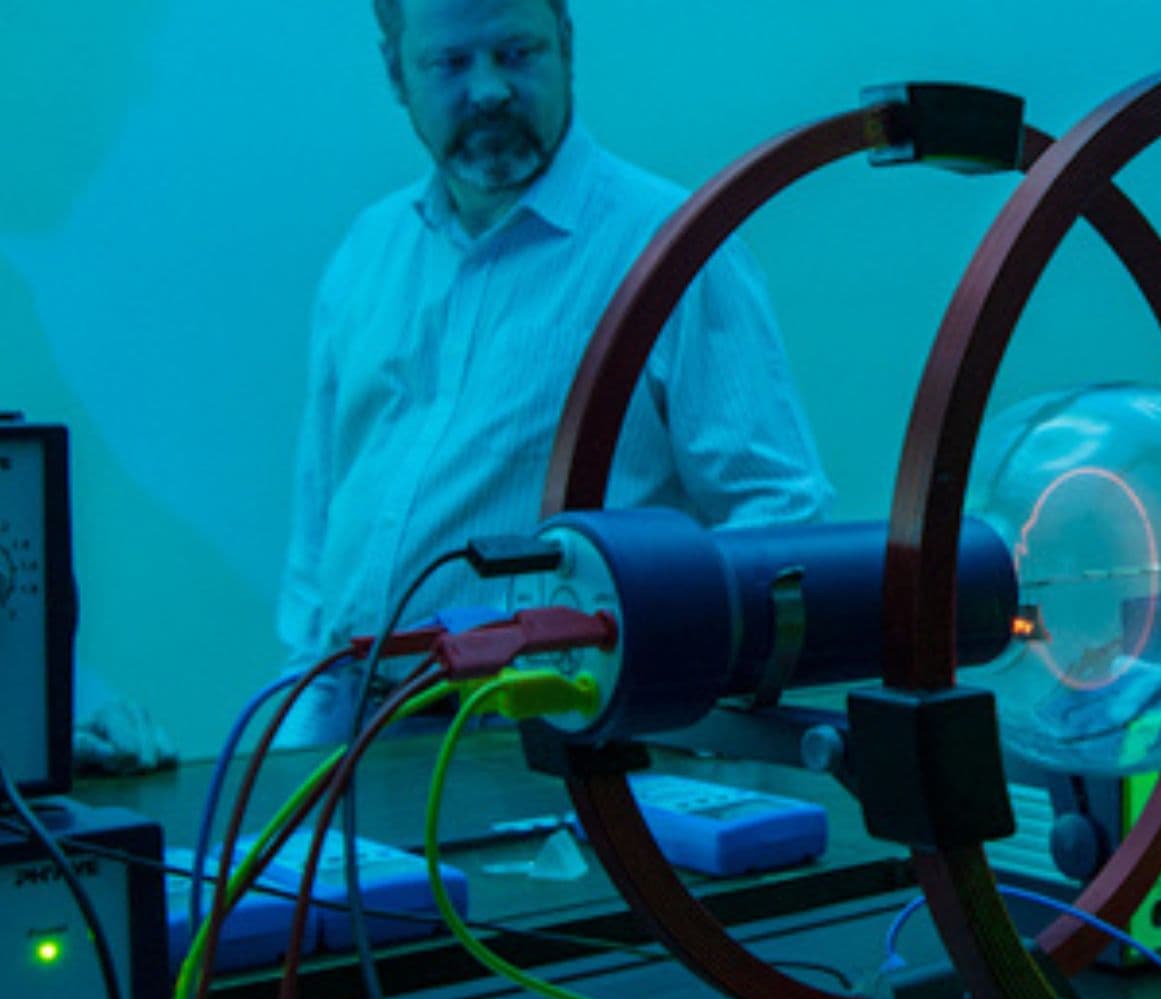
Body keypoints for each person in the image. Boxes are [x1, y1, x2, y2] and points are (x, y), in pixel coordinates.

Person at [277, 0, 832, 743]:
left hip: (566, 738)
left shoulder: (671, 248)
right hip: (361, 726)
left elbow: (781, 521)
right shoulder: (369, 249)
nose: (489, 92)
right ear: (395, 73)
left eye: (516, 54)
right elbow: (320, 529)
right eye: (450, 64)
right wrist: (300, 739)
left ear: (566, 47)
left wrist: (653, 681)